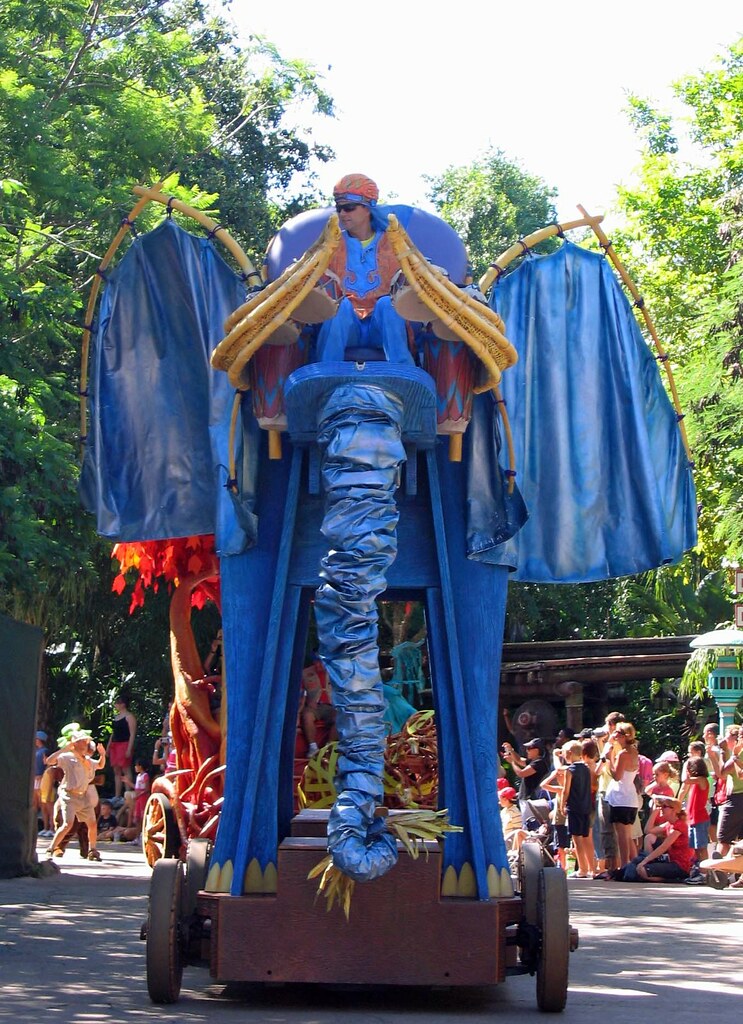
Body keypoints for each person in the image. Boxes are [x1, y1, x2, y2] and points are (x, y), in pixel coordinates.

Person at [315, 174, 414, 365]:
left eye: (349, 208)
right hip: (347, 322)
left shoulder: (394, 243)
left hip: (381, 323)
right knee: (340, 306)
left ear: (368, 208)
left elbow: (418, 267)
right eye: (339, 209)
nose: (342, 214)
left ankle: (403, 372)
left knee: (387, 305)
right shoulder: (332, 244)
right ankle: (325, 371)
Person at [45, 728, 105, 862]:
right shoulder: (67, 757)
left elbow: (100, 765)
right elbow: (49, 761)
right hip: (69, 796)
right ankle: (51, 848)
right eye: (82, 741)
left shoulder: (87, 760)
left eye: (86, 741)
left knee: (92, 823)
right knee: (68, 824)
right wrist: (64, 749)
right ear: (75, 743)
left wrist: (102, 755)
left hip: (83, 796)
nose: (85, 743)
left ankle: (92, 850)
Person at [603, 721, 641, 869]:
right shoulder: (633, 751)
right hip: (630, 797)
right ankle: (633, 865)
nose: (614, 735)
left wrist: (609, 758)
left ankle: (624, 865)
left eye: (617, 733)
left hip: (620, 797)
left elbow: (617, 776)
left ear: (625, 735)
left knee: (621, 835)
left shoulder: (623, 754)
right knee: (627, 835)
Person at [560, 740, 595, 878]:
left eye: (564, 754)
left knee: (577, 839)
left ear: (569, 753)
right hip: (586, 806)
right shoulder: (586, 769)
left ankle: (582, 869)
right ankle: (592, 868)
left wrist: (562, 804)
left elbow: (566, 790)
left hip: (574, 806)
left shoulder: (570, 770)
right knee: (586, 838)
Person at [300, 653, 337, 758]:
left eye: (320, 662)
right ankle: (313, 747)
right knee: (307, 716)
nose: (317, 665)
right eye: (315, 662)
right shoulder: (305, 673)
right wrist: (302, 707)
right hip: (314, 706)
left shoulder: (335, 673)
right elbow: (301, 693)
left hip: (331, 706)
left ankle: (328, 748)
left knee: (340, 718)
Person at [107, 694, 136, 798]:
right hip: (115, 745)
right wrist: (108, 747)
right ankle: (117, 796)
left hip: (124, 744)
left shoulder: (129, 717)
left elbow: (132, 734)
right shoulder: (116, 718)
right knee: (116, 770)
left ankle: (127, 794)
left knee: (126, 769)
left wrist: (129, 749)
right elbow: (113, 733)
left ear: (123, 704)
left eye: (117, 703)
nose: (115, 705)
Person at [33, 731, 53, 836]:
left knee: (47, 805)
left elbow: (48, 764)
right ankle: (44, 827)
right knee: (39, 804)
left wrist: (42, 775)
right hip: (35, 779)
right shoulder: (36, 751)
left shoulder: (45, 751)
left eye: (36, 738)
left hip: (43, 779)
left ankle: (51, 828)